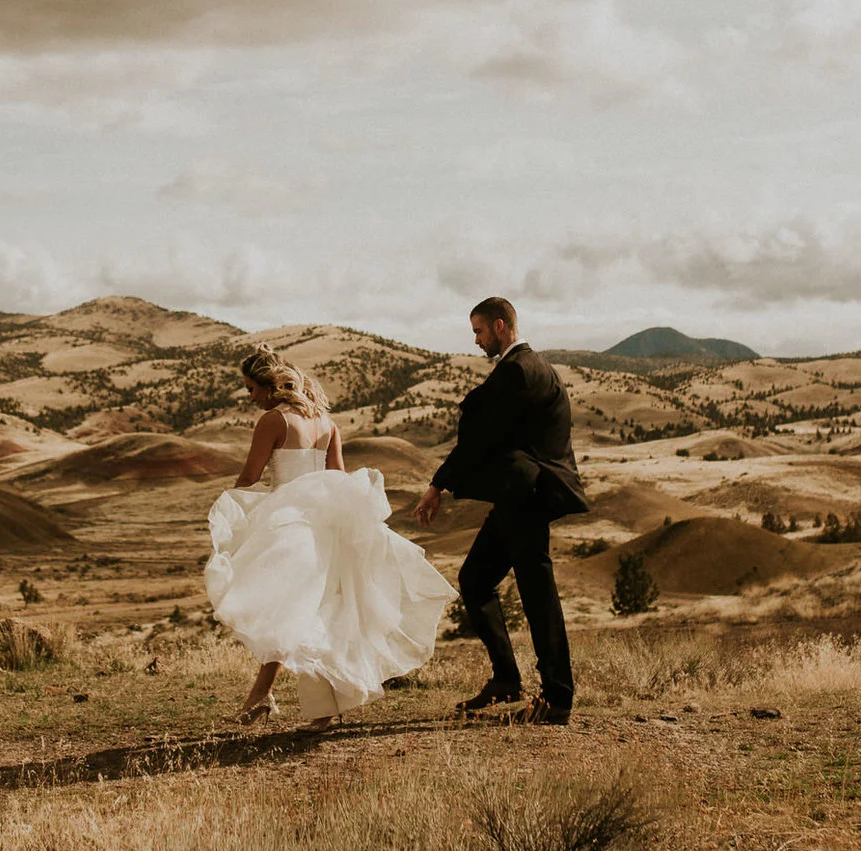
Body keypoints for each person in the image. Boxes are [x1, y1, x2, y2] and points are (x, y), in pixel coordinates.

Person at [206, 347, 457, 725]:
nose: (250, 397)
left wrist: (225, 511)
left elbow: (251, 477)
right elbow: (339, 479)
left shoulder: (273, 421)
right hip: (328, 528)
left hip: (292, 526)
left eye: (251, 388)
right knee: (315, 611)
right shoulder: (326, 423)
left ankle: (263, 697)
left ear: (270, 385)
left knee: (289, 611)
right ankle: (316, 709)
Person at [409, 296, 587, 725]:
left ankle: (557, 698)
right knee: (475, 579)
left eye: (479, 331)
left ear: (501, 326)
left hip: (525, 496)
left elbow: (479, 436)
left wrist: (437, 484)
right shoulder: (537, 367)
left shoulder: (517, 371)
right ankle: (507, 680)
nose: (476, 340)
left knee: (536, 591)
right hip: (520, 495)